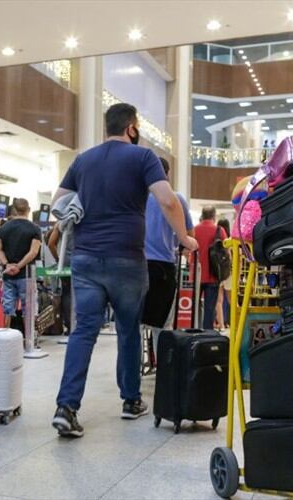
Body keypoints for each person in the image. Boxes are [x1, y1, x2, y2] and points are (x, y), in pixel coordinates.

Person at [51, 103, 198, 438]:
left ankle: (66, 407)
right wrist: (184, 238)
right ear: (132, 126)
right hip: (127, 260)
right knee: (128, 330)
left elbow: (58, 203)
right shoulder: (142, 157)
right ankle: (131, 401)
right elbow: (167, 200)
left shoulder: (84, 159)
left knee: (83, 331)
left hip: (86, 259)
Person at [141, 158, 194, 336]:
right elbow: (188, 235)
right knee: (162, 325)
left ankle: (132, 363)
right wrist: (186, 245)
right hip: (163, 266)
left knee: (134, 323)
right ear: (167, 174)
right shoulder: (176, 199)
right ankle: (163, 362)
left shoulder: (137, 198)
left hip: (136, 266)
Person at [0, 198, 42, 327]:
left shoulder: (3, 228)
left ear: (14, 210)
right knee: (29, 309)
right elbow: (33, 252)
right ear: (28, 210)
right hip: (26, 274)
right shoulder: (35, 229)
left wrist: (7, 265)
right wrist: (19, 266)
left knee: (7, 308)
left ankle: (6, 337)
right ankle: (29, 340)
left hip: (8, 275)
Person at [193, 206, 228, 330]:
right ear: (214, 216)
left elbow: (188, 251)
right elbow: (226, 252)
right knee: (209, 309)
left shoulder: (194, 230)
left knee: (194, 309)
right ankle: (206, 336)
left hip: (196, 275)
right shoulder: (219, 231)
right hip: (213, 275)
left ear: (202, 215)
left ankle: (194, 332)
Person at [215, 218, 232, 330]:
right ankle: (233, 323)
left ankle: (221, 325)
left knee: (219, 300)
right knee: (231, 300)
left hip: (217, 271)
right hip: (229, 272)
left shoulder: (215, 240)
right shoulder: (230, 240)